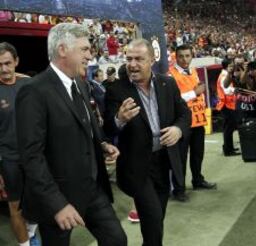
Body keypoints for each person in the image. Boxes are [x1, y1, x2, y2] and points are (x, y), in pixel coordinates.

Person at [15, 23, 127, 246]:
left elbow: (87, 126)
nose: (90, 55)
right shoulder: (34, 91)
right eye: (84, 49)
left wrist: (102, 143)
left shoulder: (80, 84)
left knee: (117, 240)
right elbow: (31, 156)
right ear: (63, 49)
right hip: (58, 195)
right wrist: (57, 204)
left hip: (93, 189)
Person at [104, 38, 191, 246]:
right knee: (152, 218)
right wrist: (119, 119)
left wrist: (178, 129)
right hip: (137, 167)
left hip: (164, 162)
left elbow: (184, 114)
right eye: (129, 59)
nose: (132, 64)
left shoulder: (167, 83)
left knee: (156, 218)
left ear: (152, 60)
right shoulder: (116, 90)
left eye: (139, 59)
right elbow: (107, 129)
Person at [0, 42, 40, 246]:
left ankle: (31, 234)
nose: (4, 69)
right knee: (15, 207)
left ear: (16, 61)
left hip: (33, 156)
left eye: (8, 63)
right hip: (9, 160)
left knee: (35, 201)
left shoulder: (29, 83)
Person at [169, 44, 217, 202]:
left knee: (198, 154)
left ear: (192, 56)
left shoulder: (194, 71)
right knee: (180, 158)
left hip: (198, 120)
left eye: (187, 56)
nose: (184, 59)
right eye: (181, 56)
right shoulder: (171, 75)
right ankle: (179, 189)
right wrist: (194, 93)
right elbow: (172, 100)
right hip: (182, 123)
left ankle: (197, 180)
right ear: (176, 56)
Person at [216, 59, 241, 156]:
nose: (233, 67)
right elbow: (226, 91)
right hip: (226, 105)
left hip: (227, 104)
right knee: (228, 129)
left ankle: (229, 148)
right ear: (227, 66)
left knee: (228, 128)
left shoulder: (225, 75)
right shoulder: (224, 76)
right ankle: (228, 149)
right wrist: (236, 89)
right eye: (231, 65)